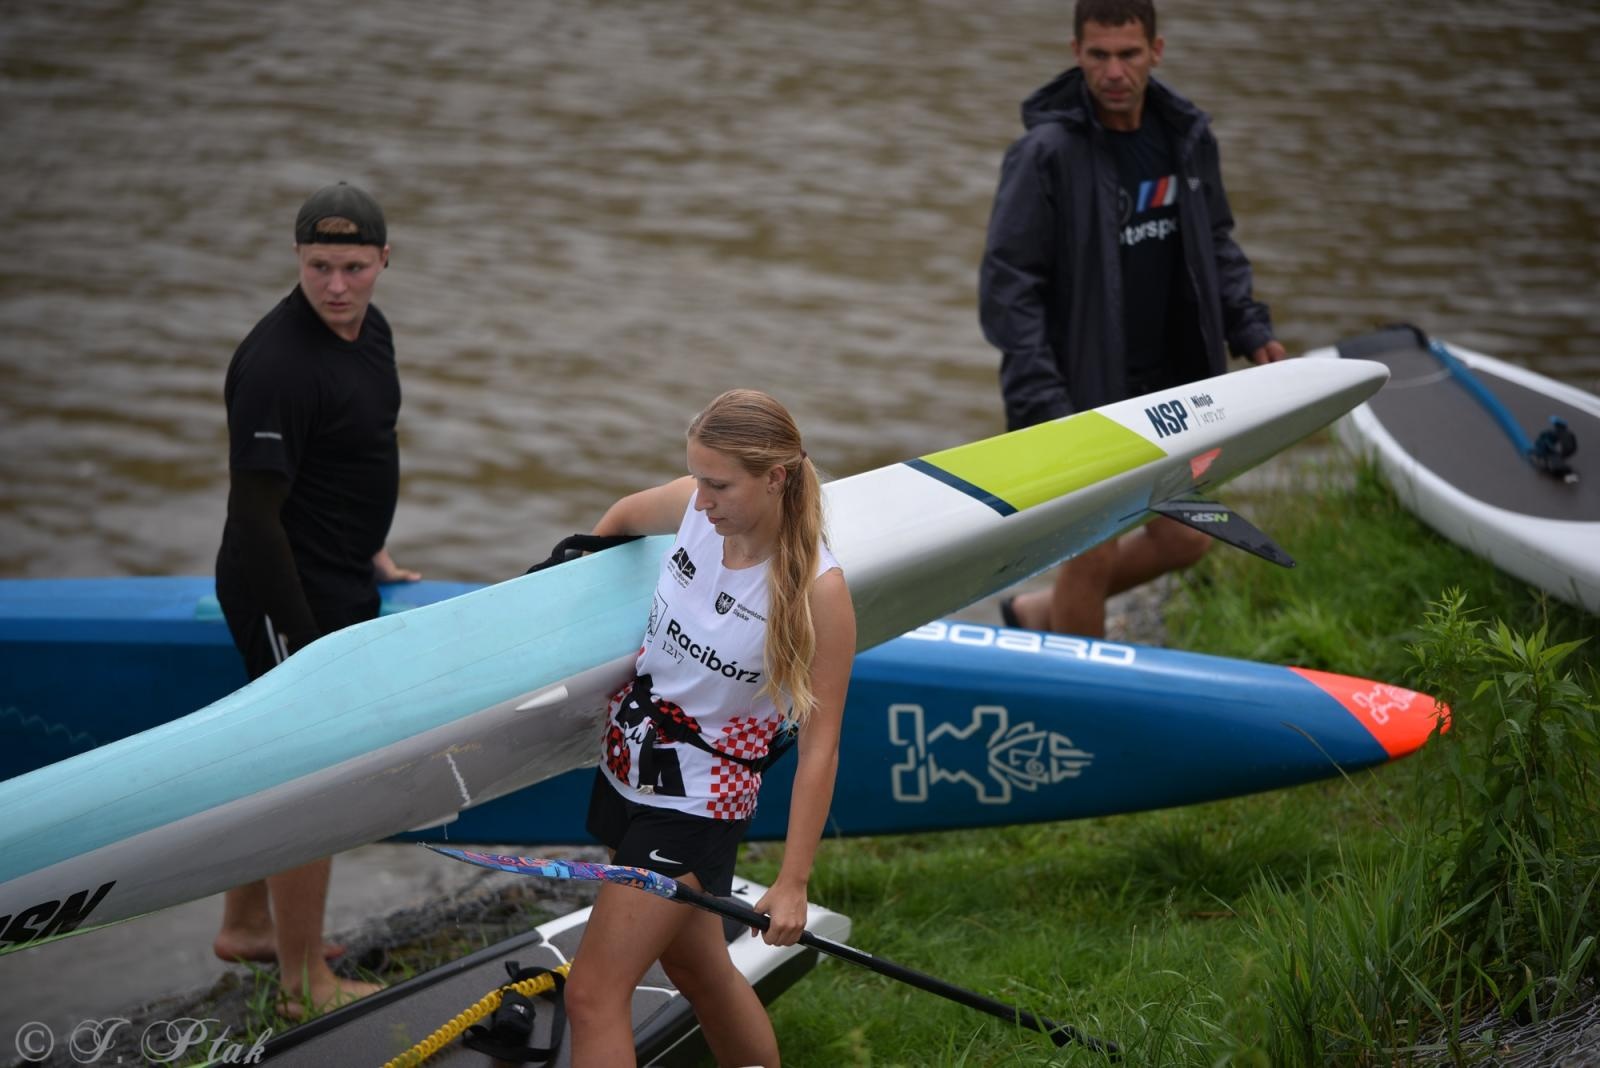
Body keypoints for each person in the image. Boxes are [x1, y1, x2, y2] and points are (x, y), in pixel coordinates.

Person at [562, 389, 855, 1067]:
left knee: (593, 996)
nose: (702, 498)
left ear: (774, 477)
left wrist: (793, 882)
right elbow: (622, 519)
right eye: (697, 477)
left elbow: (821, 747)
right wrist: (571, 601)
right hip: (629, 770)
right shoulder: (696, 512)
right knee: (699, 969)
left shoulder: (817, 590)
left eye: (719, 485)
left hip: (695, 808)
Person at [979, 0, 1287, 637]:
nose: (1114, 71)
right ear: (1076, 53)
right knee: (1092, 553)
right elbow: (1008, 290)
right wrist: (1047, 406)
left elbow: (1216, 242)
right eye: (1099, 55)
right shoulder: (1045, 154)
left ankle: (1034, 615)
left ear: (1156, 50)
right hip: (1081, 394)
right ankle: (1076, 691)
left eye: (1128, 54)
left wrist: (1250, 327)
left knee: (1188, 539)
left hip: (1174, 388)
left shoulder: (1186, 137)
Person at [211, 181, 419, 1017]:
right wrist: (303, 643)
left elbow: (357, 447)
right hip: (283, 587)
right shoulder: (277, 365)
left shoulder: (372, 331)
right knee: (315, 779)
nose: (336, 286)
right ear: (297, 258)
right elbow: (254, 519)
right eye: (319, 266)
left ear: (383, 261)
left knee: (281, 767)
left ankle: (248, 926)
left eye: (353, 268)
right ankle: (303, 983)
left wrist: (370, 546)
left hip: (340, 570)